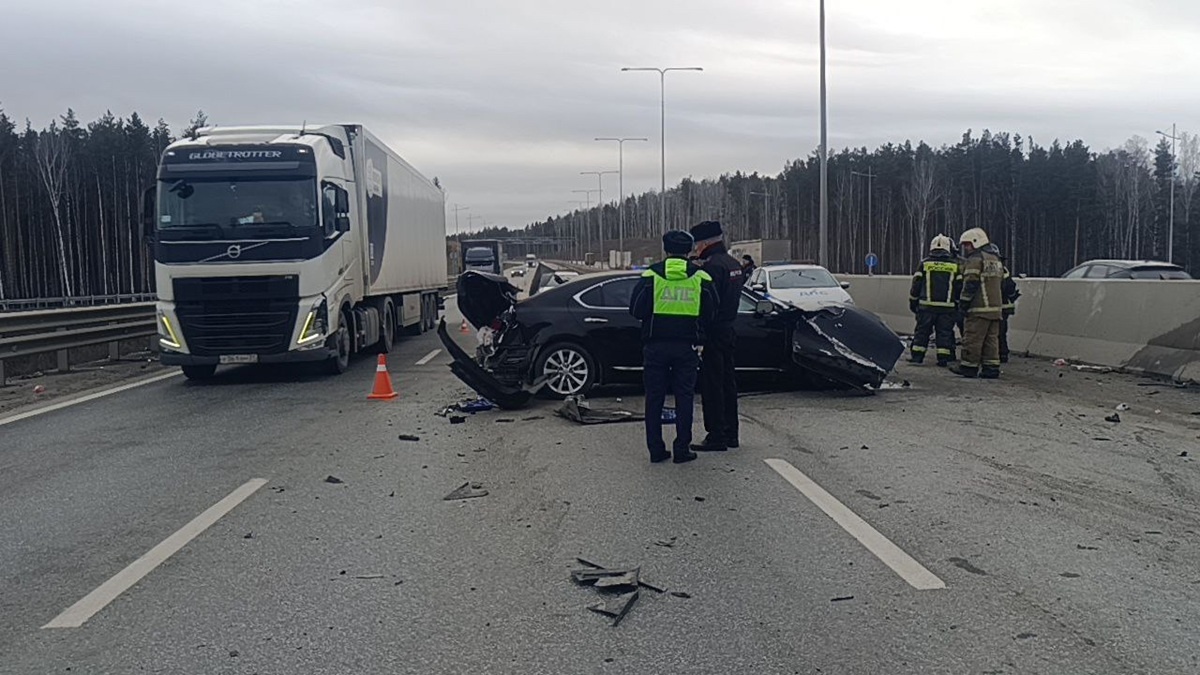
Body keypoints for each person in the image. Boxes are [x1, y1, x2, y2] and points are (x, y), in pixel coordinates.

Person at [629, 230, 717, 464]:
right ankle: (682, 448)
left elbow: (636, 310)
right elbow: (711, 312)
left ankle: (656, 450)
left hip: (655, 346)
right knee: (684, 397)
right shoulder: (701, 276)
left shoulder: (651, 275)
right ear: (689, 250)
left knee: (654, 398)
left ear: (666, 249)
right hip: (687, 346)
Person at [688, 220, 746, 452]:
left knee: (712, 385)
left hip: (713, 332)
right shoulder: (733, 264)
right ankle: (732, 432)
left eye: (696, 245)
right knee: (728, 383)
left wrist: (699, 335)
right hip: (729, 329)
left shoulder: (711, 267)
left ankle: (716, 435)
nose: (695, 249)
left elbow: (707, 304)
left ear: (703, 243)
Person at [954, 227, 1005, 379]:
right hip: (995, 308)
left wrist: (963, 303)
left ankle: (968, 367)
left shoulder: (976, 259)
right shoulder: (995, 259)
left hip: (979, 308)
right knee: (991, 340)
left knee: (972, 338)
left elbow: (970, 283)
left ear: (976, 242)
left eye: (968, 245)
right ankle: (991, 368)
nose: (966, 248)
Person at [907, 235, 962, 367]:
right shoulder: (955, 266)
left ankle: (917, 357)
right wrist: (958, 304)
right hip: (947, 308)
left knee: (922, 332)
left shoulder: (925, 264)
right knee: (944, 333)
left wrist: (913, 302)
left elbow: (916, 285)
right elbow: (959, 287)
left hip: (926, 307)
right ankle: (943, 358)